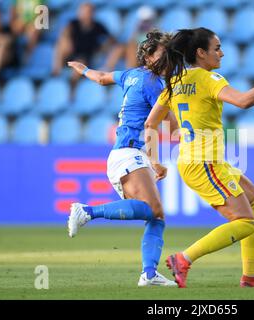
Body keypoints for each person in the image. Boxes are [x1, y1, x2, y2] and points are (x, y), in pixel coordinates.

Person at [145, 28, 254, 288]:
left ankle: (250, 276)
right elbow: (244, 101)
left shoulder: (174, 82)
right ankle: (183, 258)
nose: (222, 52)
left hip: (203, 161)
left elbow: (150, 124)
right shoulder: (208, 79)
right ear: (201, 53)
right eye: (217, 48)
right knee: (245, 222)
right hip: (204, 163)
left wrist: (155, 159)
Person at [66, 30, 178, 287]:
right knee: (154, 210)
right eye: (164, 53)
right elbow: (167, 126)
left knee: (156, 216)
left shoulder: (131, 75)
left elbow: (103, 77)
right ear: (149, 56)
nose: (169, 58)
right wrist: (156, 160)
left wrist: (83, 70)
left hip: (124, 154)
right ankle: (87, 211)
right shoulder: (154, 83)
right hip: (130, 153)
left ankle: (149, 274)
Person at [53, 2, 116, 81]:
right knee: (61, 46)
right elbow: (64, 33)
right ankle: (57, 71)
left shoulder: (98, 26)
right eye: (84, 12)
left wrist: (102, 48)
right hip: (72, 53)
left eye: (89, 12)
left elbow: (111, 39)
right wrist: (66, 40)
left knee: (80, 64)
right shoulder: (73, 23)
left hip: (87, 57)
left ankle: (72, 86)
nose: (86, 14)